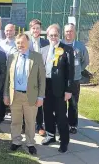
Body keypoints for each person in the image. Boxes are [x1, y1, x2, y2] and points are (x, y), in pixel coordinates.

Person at [4, 34, 46, 155]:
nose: (20, 45)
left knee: (30, 121)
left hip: (31, 96)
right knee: (15, 121)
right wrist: (6, 94)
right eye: (18, 43)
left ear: (28, 43)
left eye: (22, 42)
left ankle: (30, 143)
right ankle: (16, 141)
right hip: (15, 95)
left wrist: (40, 97)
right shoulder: (11, 57)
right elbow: (8, 78)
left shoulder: (37, 57)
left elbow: (41, 79)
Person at [41, 24, 74, 153]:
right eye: (51, 35)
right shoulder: (44, 50)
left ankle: (64, 141)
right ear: (47, 36)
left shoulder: (67, 50)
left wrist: (68, 90)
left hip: (60, 88)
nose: (53, 37)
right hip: (46, 86)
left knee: (61, 116)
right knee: (47, 113)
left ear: (59, 35)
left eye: (55, 35)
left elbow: (70, 72)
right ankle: (50, 135)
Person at [62, 23, 89, 134]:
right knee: (61, 103)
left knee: (73, 103)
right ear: (64, 32)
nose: (69, 33)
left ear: (75, 32)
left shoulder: (80, 46)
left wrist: (77, 71)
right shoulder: (60, 44)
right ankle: (62, 123)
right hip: (61, 80)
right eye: (67, 31)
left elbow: (85, 61)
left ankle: (72, 125)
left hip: (74, 80)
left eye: (71, 31)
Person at [28, 19, 49, 136]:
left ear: (40, 30)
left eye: (37, 28)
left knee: (40, 100)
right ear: (30, 29)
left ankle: (39, 125)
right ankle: (26, 124)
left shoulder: (46, 43)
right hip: (29, 76)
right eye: (33, 28)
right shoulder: (26, 42)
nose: (35, 30)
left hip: (42, 76)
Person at [0, 23, 17, 124]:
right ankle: (1, 115)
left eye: (11, 30)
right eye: (7, 30)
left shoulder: (18, 43)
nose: (9, 32)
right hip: (2, 72)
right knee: (1, 94)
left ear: (14, 31)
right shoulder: (0, 44)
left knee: (14, 95)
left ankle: (15, 118)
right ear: (4, 31)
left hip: (15, 73)